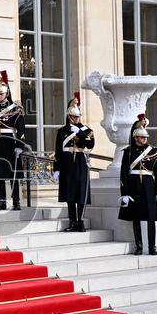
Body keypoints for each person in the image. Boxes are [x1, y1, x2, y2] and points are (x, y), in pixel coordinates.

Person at [118, 114, 157, 255]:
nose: (144, 139)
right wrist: (124, 193)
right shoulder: (128, 152)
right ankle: (139, 246)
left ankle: (152, 246)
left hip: (149, 186)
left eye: (145, 137)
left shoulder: (153, 151)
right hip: (134, 185)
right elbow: (123, 173)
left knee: (151, 218)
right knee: (136, 218)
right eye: (142, 137)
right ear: (136, 137)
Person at [0, 71, 26, 211]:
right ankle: (2, 201)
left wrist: (20, 146)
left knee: (13, 175)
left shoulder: (15, 109)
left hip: (10, 144)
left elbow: (21, 129)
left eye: (1, 94)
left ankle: (16, 201)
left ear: (6, 94)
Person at [53, 92, 94, 231]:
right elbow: (58, 151)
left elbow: (90, 145)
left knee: (81, 193)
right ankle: (72, 222)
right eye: (74, 117)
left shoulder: (86, 130)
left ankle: (80, 222)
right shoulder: (62, 131)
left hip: (81, 162)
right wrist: (56, 168)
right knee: (69, 193)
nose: (76, 119)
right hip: (67, 163)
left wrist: (80, 133)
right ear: (69, 116)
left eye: (78, 117)